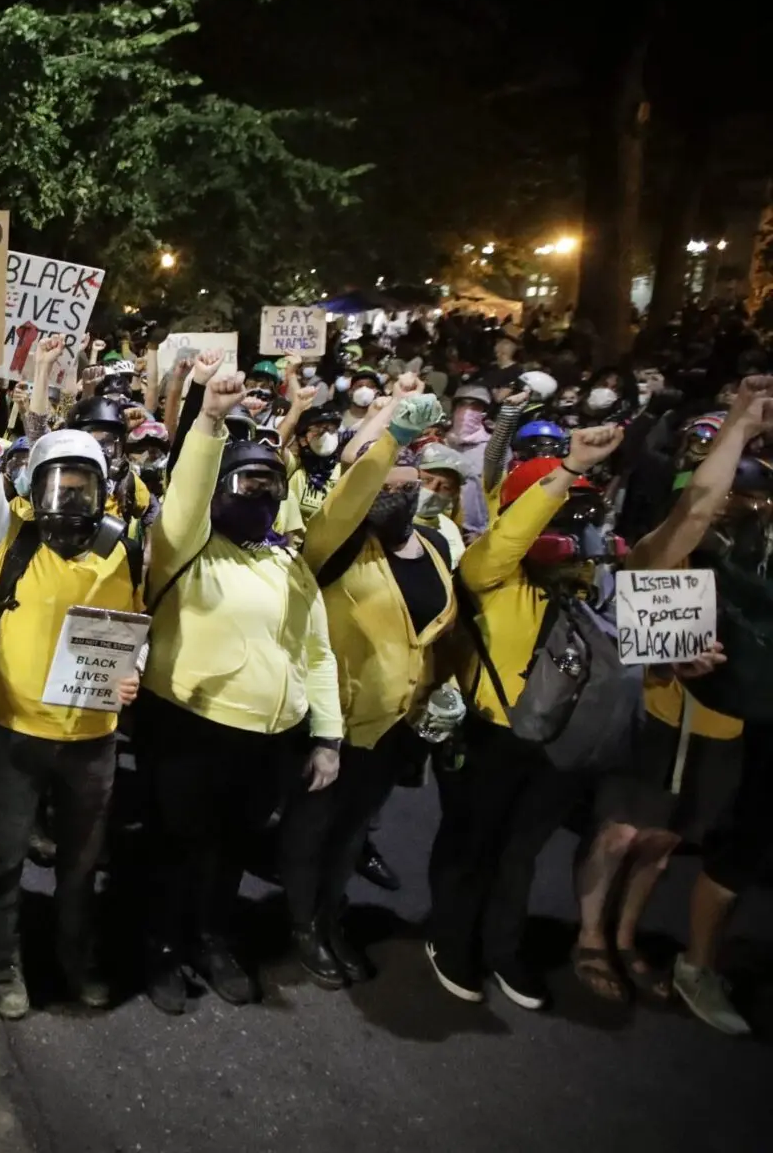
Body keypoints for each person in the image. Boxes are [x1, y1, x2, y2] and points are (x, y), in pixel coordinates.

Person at [137, 353, 344, 1012]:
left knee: (229, 852)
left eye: (268, 484)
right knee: (176, 848)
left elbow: (316, 652)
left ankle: (211, 939)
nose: (257, 492)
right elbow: (190, 490)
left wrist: (327, 737)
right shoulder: (185, 544)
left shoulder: (288, 564)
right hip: (189, 730)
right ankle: (161, 948)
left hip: (269, 741)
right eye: (244, 481)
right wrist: (209, 420)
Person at [0, 327, 140, 1019]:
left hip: (93, 740)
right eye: (56, 482)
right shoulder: (12, 535)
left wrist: (132, 676)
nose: (69, 497)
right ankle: (6, 969)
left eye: (82, 483)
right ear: (32, 486)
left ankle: (75, 959)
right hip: (14, 736)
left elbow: (135, 633)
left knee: (81, 866)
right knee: (3, 858)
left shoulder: (125, 548)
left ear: (103, 487)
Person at [578, 383, 771, 1022]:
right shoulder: (666, 545)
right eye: (729, 495)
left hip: (724, 728)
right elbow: (693, 509)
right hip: (659, 715)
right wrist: (740, 423)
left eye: (750, 498)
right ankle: (590, 936)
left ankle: (628, 935)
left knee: (662, 843)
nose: (732, 508)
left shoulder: (753, 564)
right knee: (621, 833)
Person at [425, 423, 626, 1010]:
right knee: (472, 843)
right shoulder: (491, 567)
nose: (568, 524)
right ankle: (449, 937)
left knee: (521, 851)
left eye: (578, 510)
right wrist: (563, 474)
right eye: (558, 510)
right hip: (491, 732)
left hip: (563, 740)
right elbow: (511, 537)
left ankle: (502, 947)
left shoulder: (591, 583)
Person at [279, 396, 453, 989]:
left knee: (353, 830)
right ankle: (301, 925)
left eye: (397, 467)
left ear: (421, 484)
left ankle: (329, 915)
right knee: (313, 828)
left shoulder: (435, 548)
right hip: (332, 723)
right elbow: (355, 489)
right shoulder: (338, 542)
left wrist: (440, 691)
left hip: (393, 727)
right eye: (375, 468)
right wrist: (387, 434)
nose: (381, 480)